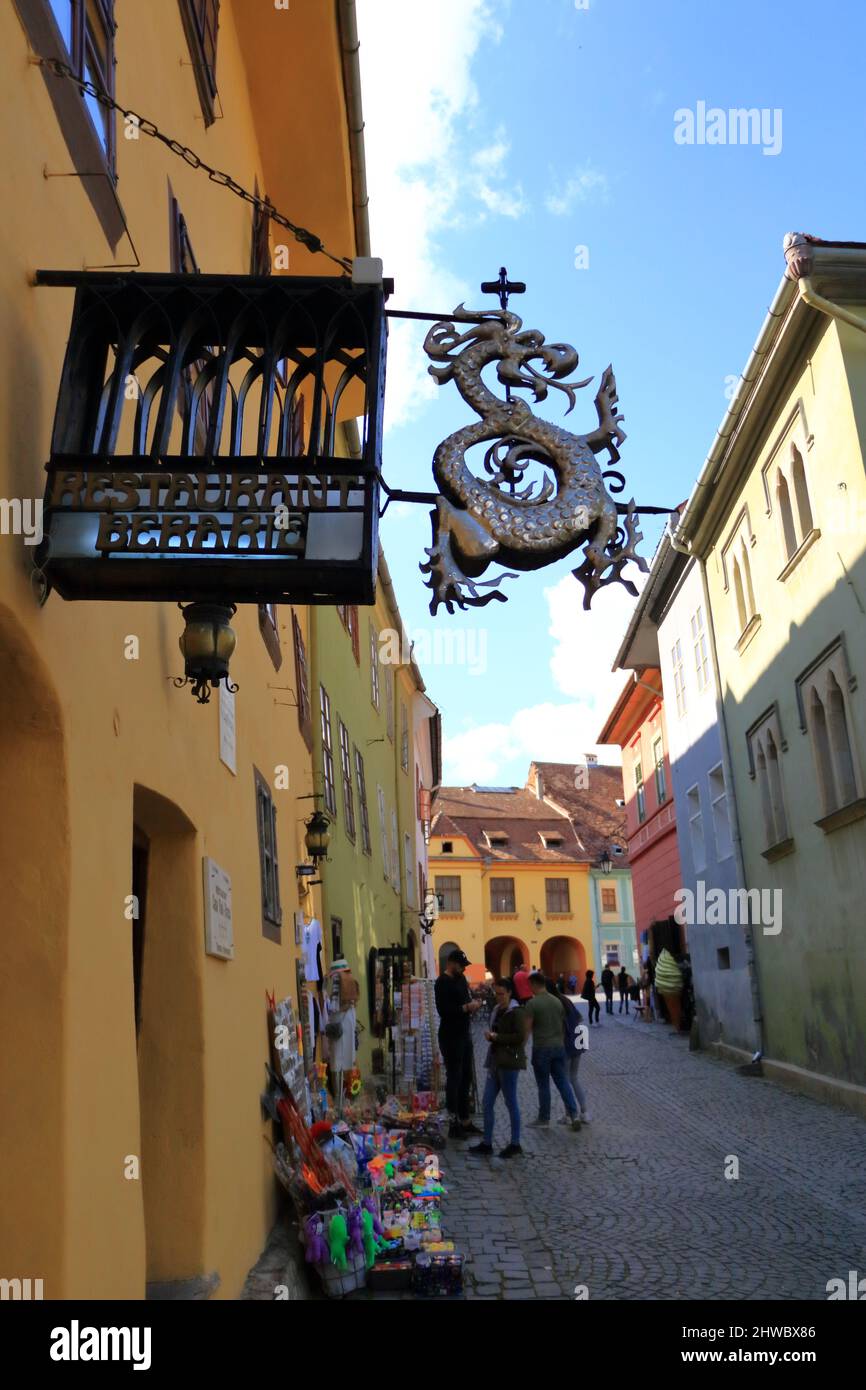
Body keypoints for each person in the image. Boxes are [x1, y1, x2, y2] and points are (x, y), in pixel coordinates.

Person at [469, 977, 527, 1159]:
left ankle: (515, 1143)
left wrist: (497, 1037)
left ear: (510, 992)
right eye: (496, 993)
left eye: (502, 994)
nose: (499, 997)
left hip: (509, 1063)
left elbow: (520, 1037)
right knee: (487, 1102)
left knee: (511, 1103)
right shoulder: (496, 1010)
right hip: (494, 1062)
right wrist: (492, 1037)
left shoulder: (516, 1012)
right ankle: (487, 1143)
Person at [434, 949, 482, 1138]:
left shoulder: (461, 979)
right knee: (454, 1077)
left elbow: (466, 1000)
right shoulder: (442, 983)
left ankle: (465, 1119)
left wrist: (473, 1005)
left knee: (466, 1076)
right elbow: (444, 1010)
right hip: (450, 1035)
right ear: (451, 963)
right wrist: (465, 1008)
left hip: (464, 1033)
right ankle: (453, 1123)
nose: (463, 968)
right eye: (461, 965)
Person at [525, 972, 581, 1131]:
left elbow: (527, 1030)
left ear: (535, 984)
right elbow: (563, 1025)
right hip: (558, 1047)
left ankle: (544, 1118)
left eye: (530, 985)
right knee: (563, 1081)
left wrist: (520, 1049)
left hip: (541, 1048)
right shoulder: (557, 1002)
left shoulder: (533, 1004)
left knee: (543, 1085)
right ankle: (574, 1114)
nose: (529, 988)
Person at [555, 984, 589, 1124]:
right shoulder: (566, 1000)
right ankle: (585, 1112)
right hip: (577, 1043)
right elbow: (580, 1019)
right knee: (574, 1078)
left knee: (565, 1081)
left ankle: (569, 1114)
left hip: (566, 1046)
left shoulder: (555, 1004)